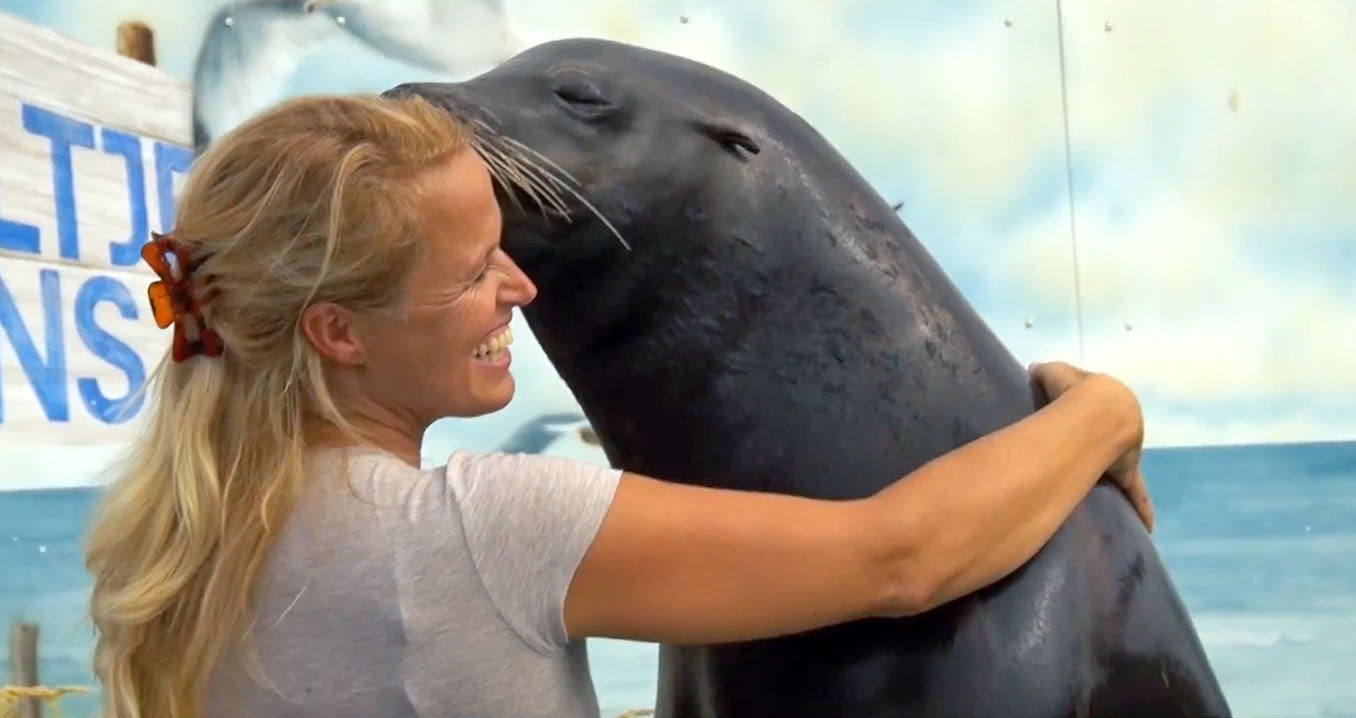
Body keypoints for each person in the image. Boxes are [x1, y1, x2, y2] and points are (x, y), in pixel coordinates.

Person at [83, 93, 1153, 718]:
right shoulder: (478, 533)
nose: (520, 286)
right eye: (470, 272)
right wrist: (1099, 412)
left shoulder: (175, 543)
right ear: (338, 331)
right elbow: (902, 557)